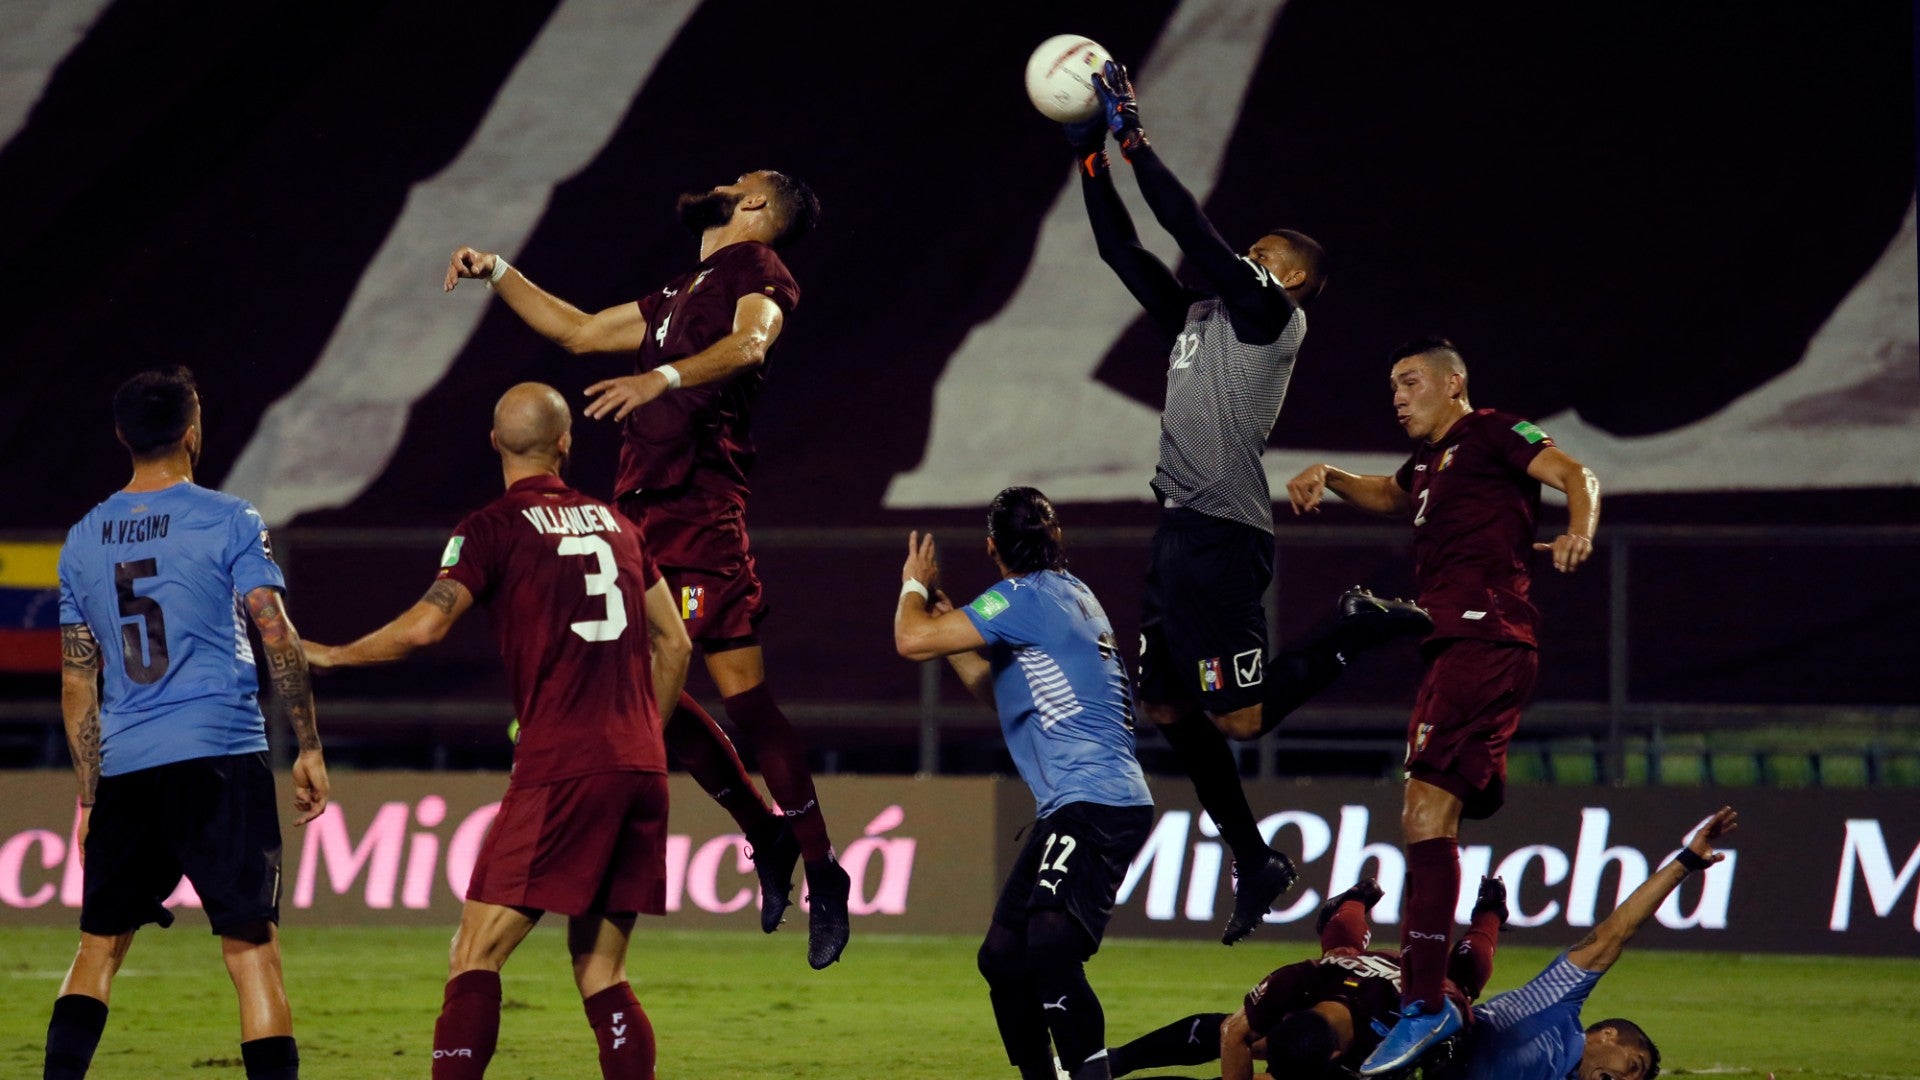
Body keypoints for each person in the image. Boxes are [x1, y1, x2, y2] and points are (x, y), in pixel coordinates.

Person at [442, 169, 850, 968]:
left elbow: (752, 342)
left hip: (699, 509)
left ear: (756, 205)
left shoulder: (757, 271)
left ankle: (821, 867)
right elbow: (579, 331)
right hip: (639, 516)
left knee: (742, 697)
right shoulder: (679, 291)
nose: (723, 181)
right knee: (643, 692)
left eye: (740, 179)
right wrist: (497, 272)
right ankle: (765, 833)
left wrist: (660, 376)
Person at [1071, 61, 1431, 945]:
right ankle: (1255, 858)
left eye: (1267, 257)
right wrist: (1091, 161)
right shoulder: (1199, 321)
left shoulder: (1274, 320)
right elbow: (1124, 252)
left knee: (1238, 718)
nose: (1251, 261)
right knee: (1166, 708)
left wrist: (1134, 143)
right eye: (1254, 253)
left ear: (1294, 279)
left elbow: (1188, 230)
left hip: (1224, 534)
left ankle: (1352, 627)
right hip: (1178, 534)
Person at [303, 383, 690, 1080]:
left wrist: (332, 655)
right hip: (639, 767)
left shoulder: (492, 527)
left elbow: (423, 628)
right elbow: (678, 644)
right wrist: (642, 738)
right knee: (601, 969)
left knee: (473, 953)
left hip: (563, 766)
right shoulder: (619, 525)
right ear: (565, 443)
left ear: (493, 442)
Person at [1283, 337, 1602, 1073]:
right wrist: (1331, 475)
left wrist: (1579, 531)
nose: (1398, 397)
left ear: (1453, 383)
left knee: (1425, 814)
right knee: (1435, 815)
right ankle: (1427, 998)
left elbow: (1573, 473)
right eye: (1392, 386)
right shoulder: (1429, 463)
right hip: (1453, 647)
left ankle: (1424, 1005)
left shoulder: (1492, 430)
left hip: (1486, 639)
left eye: (1411, 382)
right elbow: (1393, 495)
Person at [46, 365, 330, 1080]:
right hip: (219, 755)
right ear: (192, 432)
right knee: (252, 951)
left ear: (122, 435)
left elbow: (78, 681)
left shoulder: (81, 540)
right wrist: (309, 745)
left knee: (97, 947)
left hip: (127, 765)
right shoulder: (231, 519)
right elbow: (276, 634)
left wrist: (90, 796)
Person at [893, 488, 1154, 1080]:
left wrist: (914, 585)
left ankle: (1086, 1074)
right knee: (1002, 956)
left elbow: (909, 639)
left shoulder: (1019, 598)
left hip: (1094, 803)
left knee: (1050, 946)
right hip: (1088, 802)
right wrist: (956, 634)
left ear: (992, 548)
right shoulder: (1070, 592)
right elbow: (1008, 697)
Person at [1430, 807, 1739, 1080]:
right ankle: (1488, 916)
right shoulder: (1557, 1001)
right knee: (1457, 983)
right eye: (1634, 1065)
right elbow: (1617, 931)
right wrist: (1686, 862)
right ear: (1608, 1035)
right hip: (1432, 1045)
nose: (1627, 1079)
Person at [1104, 876, 1508, 1080]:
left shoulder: (1418, 1018)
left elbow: (1456, 1011)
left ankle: (1490, 911)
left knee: (1464, 971)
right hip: (1350, 979)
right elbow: (1234, 1032)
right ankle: (1354, 899)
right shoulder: (1303, 979)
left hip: (1411, 988)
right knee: (1341, 951)